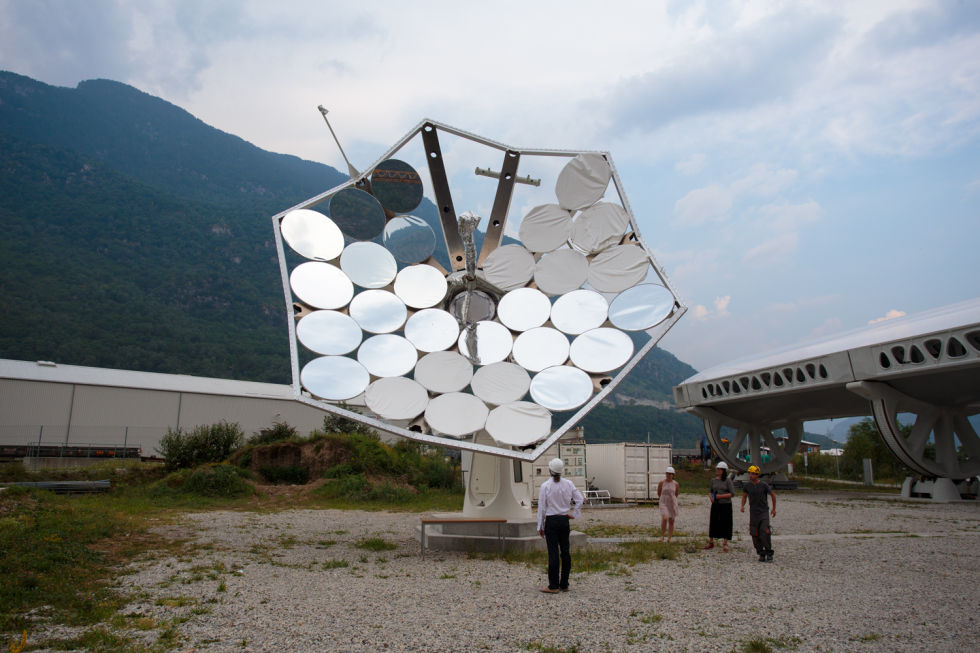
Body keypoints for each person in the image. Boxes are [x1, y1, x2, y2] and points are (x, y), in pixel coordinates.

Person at [537, 458, 583, 593]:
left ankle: (553, 585)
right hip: (564, 520)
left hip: (552, 520)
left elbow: (542, 508)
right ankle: (564, 583)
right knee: (565, 552)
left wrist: (540, 525)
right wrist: (574, 514)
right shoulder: (568, 484)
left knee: (553, 553)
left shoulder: (546, 486)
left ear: (550, 470)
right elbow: (580, 499)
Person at [740, 464, 776, 562]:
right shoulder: (747, 486)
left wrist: (773, 509)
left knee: (764, 532)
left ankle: (769, 552)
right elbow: (744, 496)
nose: (750, 475)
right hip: (753, 513)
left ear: (757, 475)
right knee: (754, 534)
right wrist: (743, 505)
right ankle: (761, 553)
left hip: (763, 512)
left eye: (752, 474)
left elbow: (773, 495)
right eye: (749, 473)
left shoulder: (763, 485)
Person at [705, 461, 735, 552]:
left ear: (723, 470)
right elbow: (710, 491)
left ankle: (725, 543)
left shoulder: (728, 481)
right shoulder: (713, 480)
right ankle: (711, 541)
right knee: (713, 522)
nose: (717, 470)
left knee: (726, 523)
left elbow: (732, 493)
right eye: (717, 469)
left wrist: (720, 496)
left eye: (719, 469)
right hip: (716, 504)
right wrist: (711, 497)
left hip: (725, 505)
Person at [657, 466, 679, 543]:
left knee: (671, 520)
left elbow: (676, 494)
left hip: (672, 502)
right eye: (668, 474)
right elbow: (659, 492)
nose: (669, 475)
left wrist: (673, 500)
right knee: (665, 517)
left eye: (671, 474)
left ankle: (669, 537)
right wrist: (663, 498)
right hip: (663, 501)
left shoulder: (676, 484)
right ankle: (662, 536)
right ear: (666, 474)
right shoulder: (661, 482)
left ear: (673, 475)